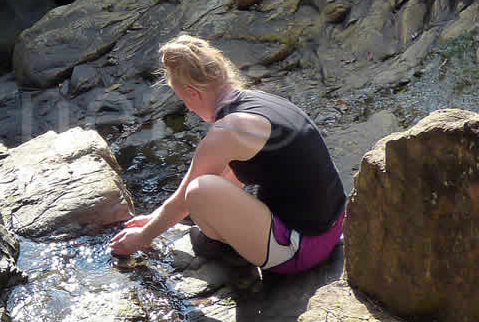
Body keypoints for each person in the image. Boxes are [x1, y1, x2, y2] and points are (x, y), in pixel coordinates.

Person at [109, 33, 346, 274]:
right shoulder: (260, 103)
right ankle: (239, 244)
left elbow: (184, 200)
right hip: (334, 227)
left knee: (199, 191)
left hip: (302, 250)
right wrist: (154, 218)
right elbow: (232, 180)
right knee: (207, 190)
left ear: (193, 93)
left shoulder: (228, 130)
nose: (188, 109)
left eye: (184, 101)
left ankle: (234, 250)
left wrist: (141, 238)